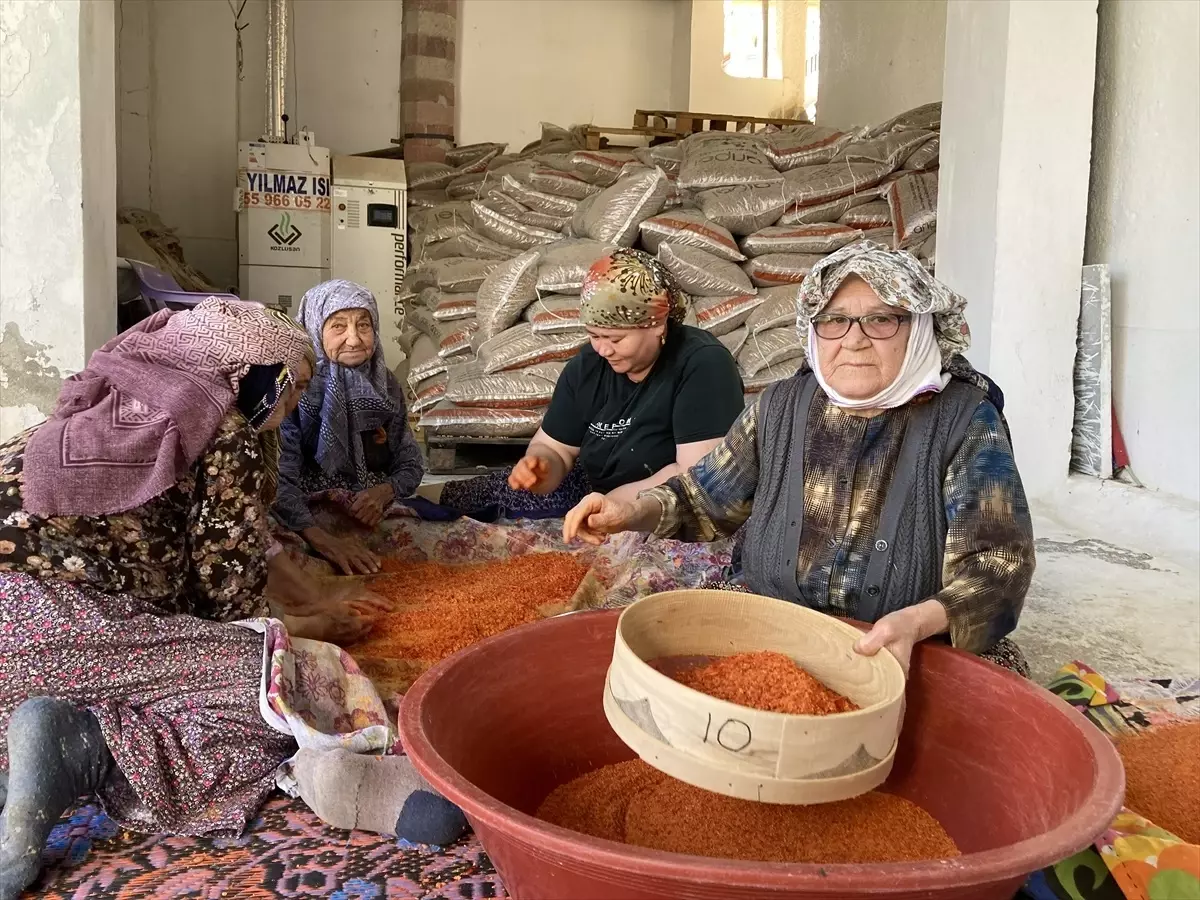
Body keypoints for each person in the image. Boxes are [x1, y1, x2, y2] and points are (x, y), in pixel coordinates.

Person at [0, 300, 462, 899]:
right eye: (290, 386)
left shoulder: (110, 403)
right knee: (278, 679)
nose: (293, 404)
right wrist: (304, 628)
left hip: (27, 647)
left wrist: (301, 600)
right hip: (51, 622)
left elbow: (219, 553)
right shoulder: (227, 430)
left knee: (172, 679)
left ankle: (50, 741)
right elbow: (228, 601)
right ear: (255, 378)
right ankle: (86, 750)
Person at [564, 242, 1036, 676]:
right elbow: (704, 496)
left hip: (901, 641)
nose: (852, 340)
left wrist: (917, 621)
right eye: (833, 320)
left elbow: (997, 565)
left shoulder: (965, 421)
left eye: (881, 319)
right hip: (772, 616)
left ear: (919, 329)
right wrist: (630, 511)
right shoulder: (782, 406)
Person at [437, 248, 746, 520]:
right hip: (594, 489)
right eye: (594, 335)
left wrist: (617, 509)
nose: (602, 349)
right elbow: (553, 447)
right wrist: (540, 467)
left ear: (657, 325)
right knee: (465, 500)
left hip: (665, 504)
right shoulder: (588, 366)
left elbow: (697, 479)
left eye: (615, 339)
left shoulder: (702, 364)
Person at [275, 280, 424, 575]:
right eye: (339, 327)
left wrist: (385, 491)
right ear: (314, 328)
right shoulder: (294, 383)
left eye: (364, 325)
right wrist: (324, 540)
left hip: (369, 511)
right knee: (281, 557)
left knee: (430, 543)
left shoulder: (385, 384)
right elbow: (279, 480)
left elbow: (410, 463)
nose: (354, 339)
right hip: (307, 515)